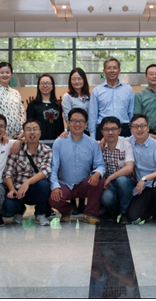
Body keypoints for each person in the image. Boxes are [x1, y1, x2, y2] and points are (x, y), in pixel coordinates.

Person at [49, 108, 106, 225]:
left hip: (84, 183)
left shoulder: (92, 143)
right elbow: (54, 168)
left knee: (99, 179)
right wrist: (55, 186)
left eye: (81, 121)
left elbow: (100, 164)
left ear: (86, 124)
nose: (77, 124)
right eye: (74, 121)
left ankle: (90, 213)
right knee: (53, 199)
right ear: (68, 122)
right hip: (65, 183)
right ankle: (66, 211)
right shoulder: (59, 142)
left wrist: (97, 173)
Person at [124, 114, 156, 227]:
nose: (139, 129)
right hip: (143, 189)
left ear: (148, 128)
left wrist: (145, 178)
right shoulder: (128, 142)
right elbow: (113, 138)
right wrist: (103, 140)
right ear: (131, 129)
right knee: (134, 218)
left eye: (142, 126)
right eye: (136, 126)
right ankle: (154, 207)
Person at [3, 119, 52, 226]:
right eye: (28, 130)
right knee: (8, 205)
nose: (32, 132)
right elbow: (8, 172)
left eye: (35, 129)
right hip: (18, 189)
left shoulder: (46, 150)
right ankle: (19, 212)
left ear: (40, 132)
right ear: (24, 133)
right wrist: (11, 189)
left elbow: (45, 172)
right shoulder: (17, 149)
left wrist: (27, 182)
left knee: (44, 184)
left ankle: (40, 214)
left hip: (36, 190)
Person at [62, 68, 91, 215]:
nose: (77, 81)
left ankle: (83, 201)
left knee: (85, 165)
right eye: (73, 79)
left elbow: (92, 115)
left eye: (79, 78)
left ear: (84, 80)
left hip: (87, 134)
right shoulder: (67, 97)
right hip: (73, 133)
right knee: (73, 165)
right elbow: (68, 116)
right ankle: (73, 202)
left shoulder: (89, 96)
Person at [98, 117, 135, 224]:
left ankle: (124, 213)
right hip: (109, 185)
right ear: (102, 132)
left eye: (113, 129)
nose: (110, 132)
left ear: (119, 130)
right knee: (106, 198)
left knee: (121, 180)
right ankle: (113, 212)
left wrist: (110, 177)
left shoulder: (126, 145)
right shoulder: (99, 146)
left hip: (126, 182)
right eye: (106, 129)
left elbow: (129, 168)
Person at [88, 57, 135, 140]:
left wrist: (133, 135)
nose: (112, 70)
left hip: (123, 129)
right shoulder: (96, 91)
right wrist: (92, 138)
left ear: (119, 71)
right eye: (109, 68)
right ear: (104, 71)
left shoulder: (128, 90)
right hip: (103, 130)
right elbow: (92, 116)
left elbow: (131, 114)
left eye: (115, 68)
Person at [0, 62, 26, 141]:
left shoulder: (16, 93)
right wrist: (3, 135)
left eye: (7, 72)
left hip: (18, 137)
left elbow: (22, 113)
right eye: (2, 72)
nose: (5, 75)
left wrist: (22, 131)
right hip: (1, 137)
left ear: (11, 74)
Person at [26, 73, 65, 143]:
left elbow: (60, 125)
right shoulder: (33, 105)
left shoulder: (57, 105)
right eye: (42, 83)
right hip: (38, 142)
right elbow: (29, 125)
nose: (45, 86)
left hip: (56, 142)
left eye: (48, 83)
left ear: (52, 86)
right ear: (39, 86)